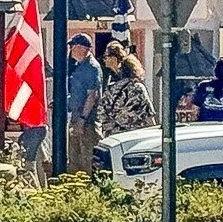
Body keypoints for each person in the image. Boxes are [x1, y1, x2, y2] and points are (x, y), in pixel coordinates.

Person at [95, 43, 157, 138]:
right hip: (138, 136)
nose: (104, 59)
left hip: (117, 137)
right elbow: (149, 115)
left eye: (106, 56)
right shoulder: (138, 87)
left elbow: (102, 115)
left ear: (114, 59)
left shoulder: (111, 88)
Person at [64, 34, 102, 171]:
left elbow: (92, 95)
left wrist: (82, 119)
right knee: (74, 159)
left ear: (81, 48)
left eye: (72, 46)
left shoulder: (91, 67)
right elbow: (77, 95)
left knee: (88, 159)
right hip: (76, 118)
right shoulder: (78, 67)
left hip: (87, 123)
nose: (70, 49)